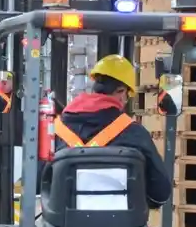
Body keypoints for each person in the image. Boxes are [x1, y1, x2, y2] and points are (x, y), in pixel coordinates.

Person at [52, 54, 172, 207]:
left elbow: (39, 181)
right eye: (128, 97)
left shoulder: (57, 130)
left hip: (64, 226)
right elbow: (160, 194)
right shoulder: (134, 133)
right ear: (122, 91)